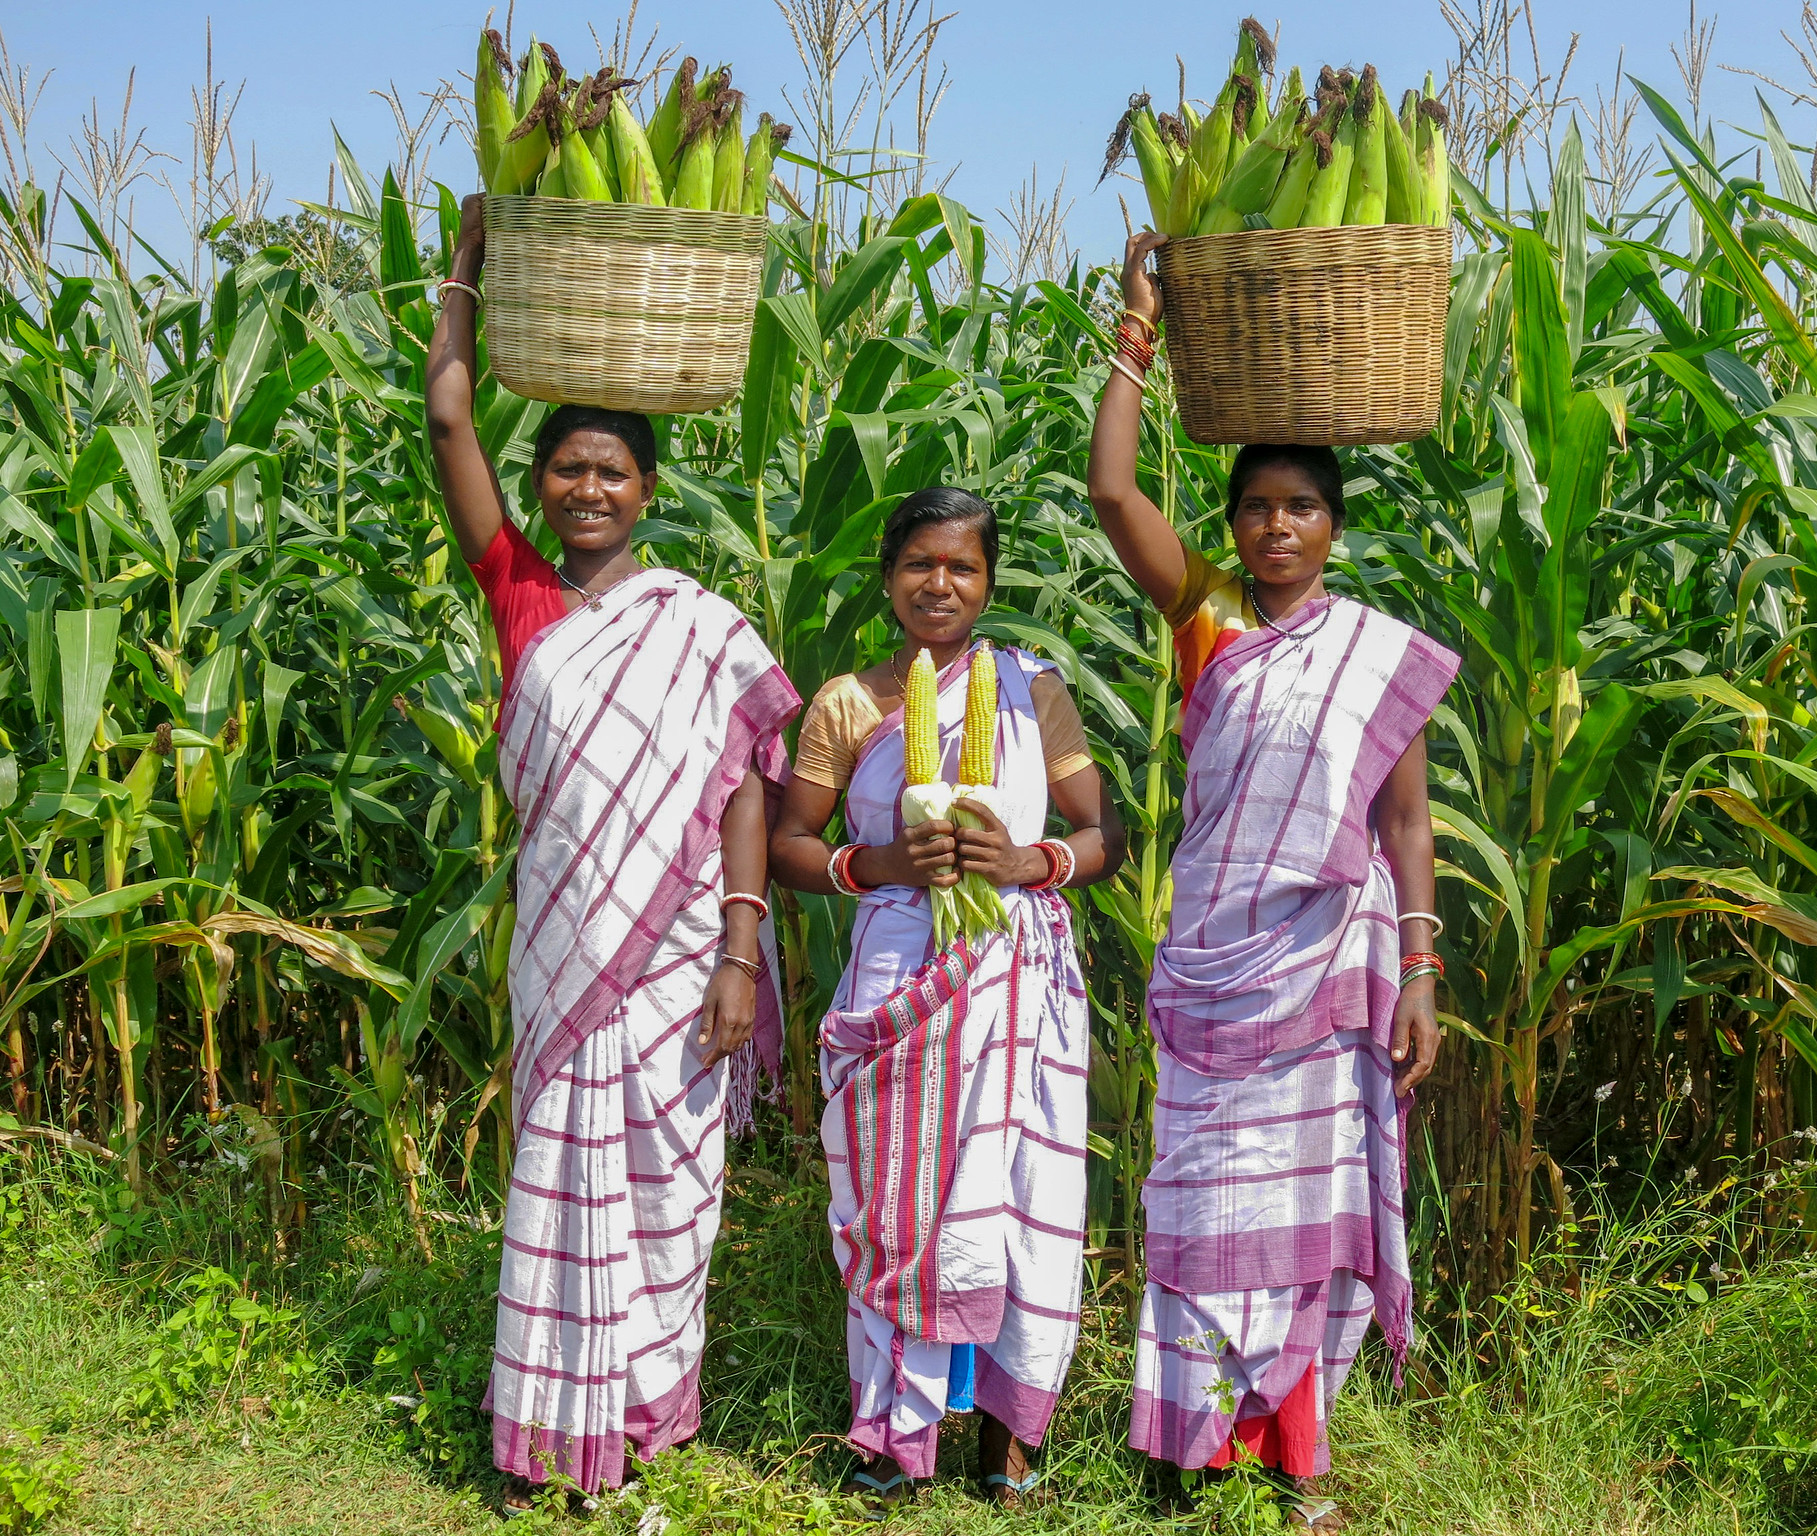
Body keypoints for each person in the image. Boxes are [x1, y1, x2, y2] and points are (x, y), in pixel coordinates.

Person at [426, 194, 800, 1507]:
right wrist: (465, 273)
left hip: (687, 955)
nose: (588, 488)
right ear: (541, 489)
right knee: (562, 1177)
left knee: (665, 1185)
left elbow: (750, 787)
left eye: (613, 472)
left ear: (650, 489)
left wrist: (743, 952)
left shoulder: (700, 625)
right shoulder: (524, 598)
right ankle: (543, 1432)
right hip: (565, 947)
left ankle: (641, 1418)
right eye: (567, 470)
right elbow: (448, 422)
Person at [1087, 233, 1458, 1530]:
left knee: (1303, 1216)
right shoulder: (1211, 623)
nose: (1277, 526)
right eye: (1256, 508)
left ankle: (1299, 1466)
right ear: (1232, 523)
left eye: (1301, 508)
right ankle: (1196, 1454)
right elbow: (1112, 492)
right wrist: (1135, 342)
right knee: (1199, 1208)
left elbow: (1406, 822)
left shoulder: (1373, 653)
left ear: (1334, 527)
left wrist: (1420, 968)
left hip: (1328, 976)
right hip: (1214, 970)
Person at [769, 488, 1124, 1510]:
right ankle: (893, 1440)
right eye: (920, 563)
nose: (939, 584)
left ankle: (1008, 1440)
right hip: (898, 981)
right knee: (896, 1207)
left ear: (986, 582)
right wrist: (874, 861)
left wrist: (1026, 858)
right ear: (886, 576)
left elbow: (1103, 837)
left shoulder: (1026, 692)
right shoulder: (847, 701)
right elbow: (793, 844)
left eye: (961, 568)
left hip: (1015, 977)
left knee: (1020, 1202)